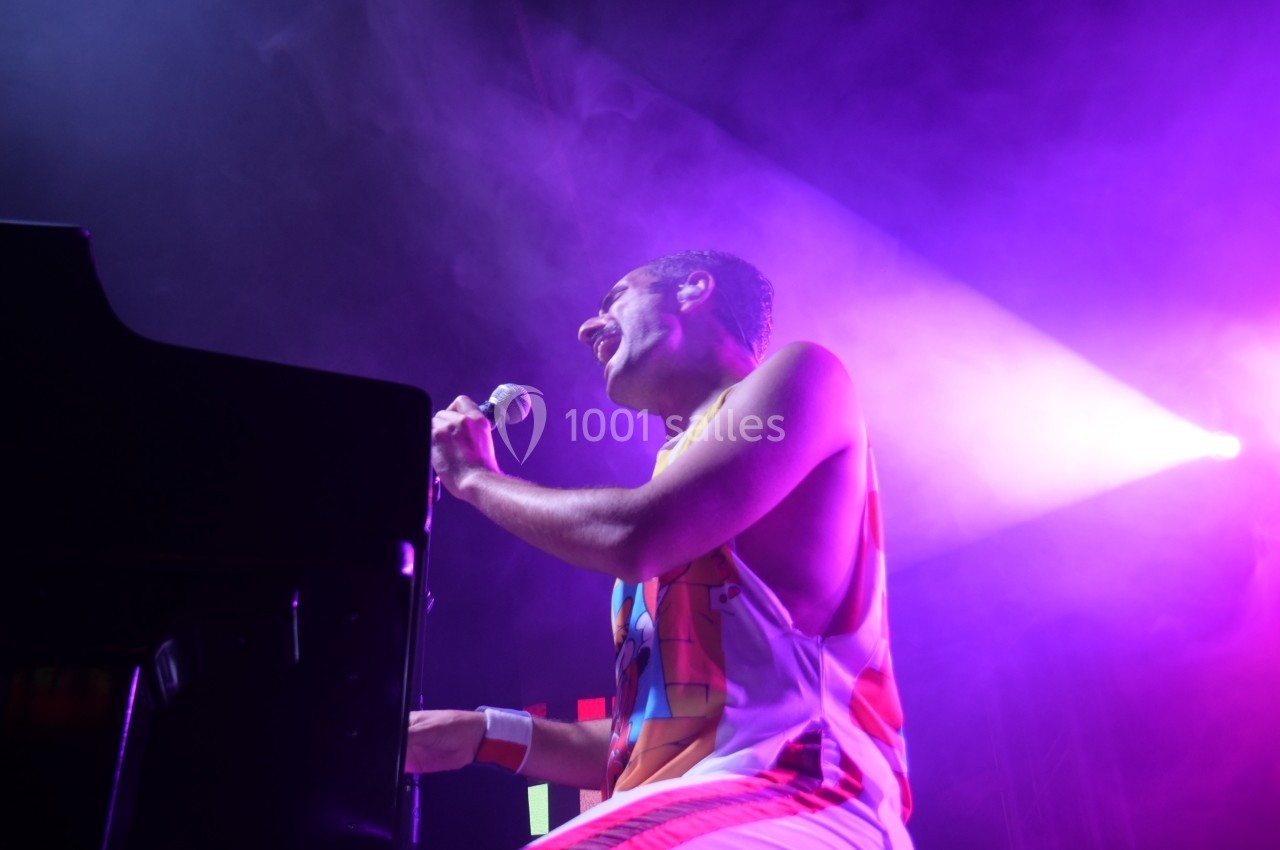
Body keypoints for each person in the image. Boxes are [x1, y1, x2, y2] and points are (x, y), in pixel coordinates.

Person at [409, 251, 913, 849]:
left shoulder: (806, 375)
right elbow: (646, 740)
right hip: (687, 808)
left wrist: (473, 477)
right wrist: (480, 731)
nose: (586, 328)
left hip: (799, 797)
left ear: (695, 290)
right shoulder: (671, 483)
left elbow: (637, 534)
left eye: (614, 299)